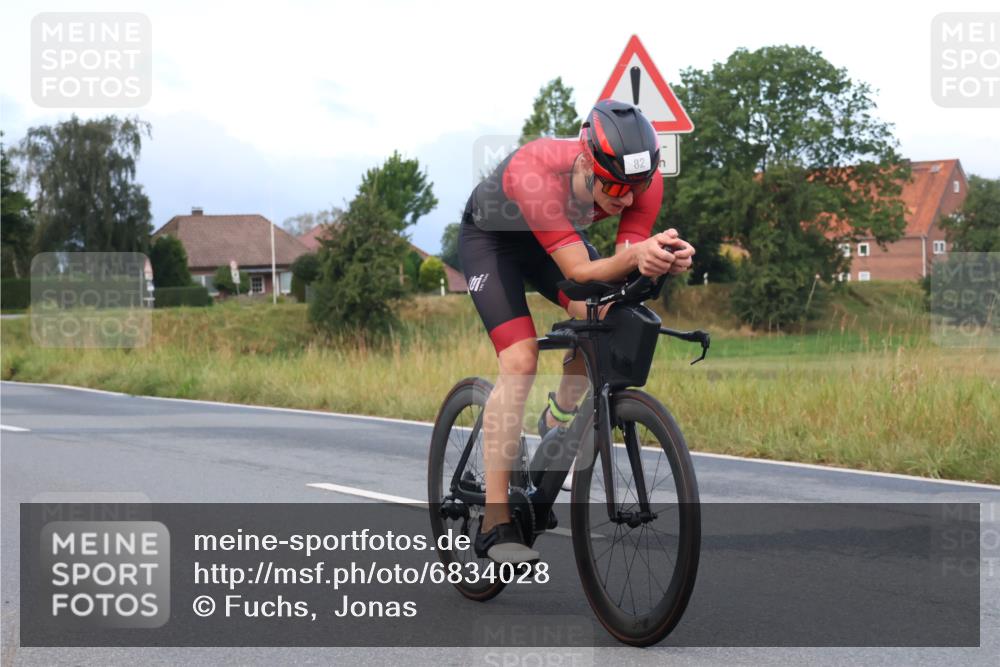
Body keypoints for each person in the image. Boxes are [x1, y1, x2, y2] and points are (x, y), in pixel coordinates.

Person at [458, 99, 696, 562]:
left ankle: (556, 420)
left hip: (553, 239)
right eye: (613, 187)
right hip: (494, 244)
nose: (626, 199)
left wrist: (662, 260)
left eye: (636, 188)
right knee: (521, 358)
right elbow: (580, 269)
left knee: (607, 315)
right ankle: (493, 520)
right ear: (586, 161)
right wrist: (635, 256)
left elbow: (624, 271)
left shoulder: (640, 183)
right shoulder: (537, 171)